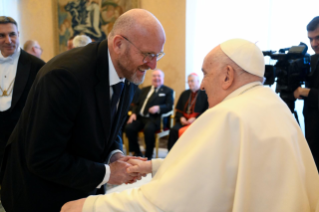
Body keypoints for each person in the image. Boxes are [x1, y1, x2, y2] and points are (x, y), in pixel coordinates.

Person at [61, 38, 319, 212]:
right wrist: (153, 165)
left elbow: (169, 201)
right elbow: (214, 168)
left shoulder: (229, 115)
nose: (203, 84)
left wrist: (89, 206)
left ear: (228, 75)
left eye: (206, 73)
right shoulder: (270, 103)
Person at [0, 9, 166, 212]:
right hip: (39, 194)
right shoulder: (65, 77)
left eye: (157, 55)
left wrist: (115, 155)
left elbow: (109, 128)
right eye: (148, 54)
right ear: (118, 44)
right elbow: (42, 158)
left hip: (80, 190)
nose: (153, 64)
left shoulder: (130, 72)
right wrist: (108, 173)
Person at [0, 16, 45, 181]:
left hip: (24, 138)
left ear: (19, 34)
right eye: (2, 35)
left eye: (12, 34)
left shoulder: (37, 66)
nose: (8, 40)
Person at [125, 69, 174, 160]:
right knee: (129, 127)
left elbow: (169, 106)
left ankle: (148, 155)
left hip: (154, 119)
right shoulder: (144, 90)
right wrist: (134, 114)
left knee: (149, 129)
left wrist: (159, 108)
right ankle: (136, 152)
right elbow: (137, 104)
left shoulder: (168, 91)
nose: (156, 78)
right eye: (154, 76)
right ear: (151, 78)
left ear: (163, 78)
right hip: (140, 117)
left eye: (159, 76)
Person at [294, 16, 319, 170]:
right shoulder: (313, 60)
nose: (313, 44)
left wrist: (306, 92)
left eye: (318, 38)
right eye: (310, 39)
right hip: (312, 133)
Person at [167, 73, 208, 150]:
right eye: (188, 81)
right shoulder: (184, 94)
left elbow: (207, 111)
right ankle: (171, 155)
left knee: (191, 132)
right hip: (184, 121)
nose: (189, 83)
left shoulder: (205, 93)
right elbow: (178, 111)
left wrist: (195, 119)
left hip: (197, 122)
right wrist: (181, 118)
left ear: (198, 81)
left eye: (192, 81)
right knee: (173, 130)